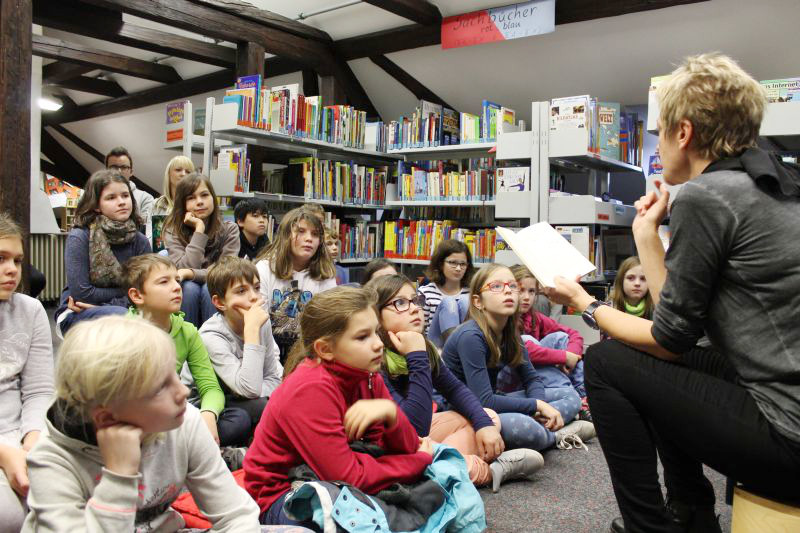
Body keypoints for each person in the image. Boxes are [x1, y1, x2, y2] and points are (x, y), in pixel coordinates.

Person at [544, 53, 800, 533]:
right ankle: (690, 510)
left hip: (789, 434)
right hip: (780, 398)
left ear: (684, 133)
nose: (658, 145)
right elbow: (679, 326)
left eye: (659, 132)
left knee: (605, 363)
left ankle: (653, 527)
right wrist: (647, 235)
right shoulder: (771, 185)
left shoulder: (710, 196)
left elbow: (667, 338)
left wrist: (587, 306)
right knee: (657, 361)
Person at [21, 316, 263, 532]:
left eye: (174, 376)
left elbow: (236, 514)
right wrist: (119, 475)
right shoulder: (52, 461)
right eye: (160, 388)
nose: (183, 391)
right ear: (107, 418)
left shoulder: (184, 420)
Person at [243, 286, 434, 528]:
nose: (378, 345)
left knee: (439, 482)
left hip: (333, 473)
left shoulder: (366, 373)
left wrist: (391, 413)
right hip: (283, 495)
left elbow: (405, 447)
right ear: (325, 349)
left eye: (376, 332)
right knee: (353, 517)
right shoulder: (310, 388)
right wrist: (419, 461)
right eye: (362, 337)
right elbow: (349, 477)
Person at [368, 274, 544, 492]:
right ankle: (487, 471)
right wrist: (417, 358)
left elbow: (455, 390)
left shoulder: (423, 347)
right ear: (375, 316)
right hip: (389, 446)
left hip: (414, 439)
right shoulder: (375, 359)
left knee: (488, 417)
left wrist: (484, 425)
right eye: (400, 303)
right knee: (421, 455)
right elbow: (412, 429)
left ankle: (440, 467)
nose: (414, 309)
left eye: (415, 300)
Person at [441, 263, 595, 453]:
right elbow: (484, 401)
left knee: (571, 396)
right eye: (497, 286)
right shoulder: (471, 336)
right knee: (525, 428)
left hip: (493, 401)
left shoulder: (510, 333)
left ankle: (546, 430)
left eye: (513, 286)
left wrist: (539, 408)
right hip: (465, 411)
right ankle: (559, 435)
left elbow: (531, 378)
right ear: (478, 302)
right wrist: (536, 405)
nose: (508, 291)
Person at [122, 254, 251, 447]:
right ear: (137, 295)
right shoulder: (123, 333)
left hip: (175, 411)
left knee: (238, 418)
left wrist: (208, 415)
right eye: (163, 282)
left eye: (176, 279)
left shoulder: (187, 331)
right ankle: (195, 449)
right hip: (138, 415)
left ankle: (188, 447)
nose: (176, 287)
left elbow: (210, 387)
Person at [0, 214, 54, 532]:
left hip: (21, 430)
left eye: (17, 260)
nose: (12, 270)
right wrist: (5, 455)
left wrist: (32, 439)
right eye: (1, 259)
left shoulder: (30, 310)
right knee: (10, 518)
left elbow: (38, 390)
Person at [55, 169, 151, 335]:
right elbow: (82, 293)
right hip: (78, 311)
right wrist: (127, 291)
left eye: (125, 195)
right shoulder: (80, 237)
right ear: (96, 206)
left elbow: (145, 289)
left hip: (127, 308)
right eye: (111, 198)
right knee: (125, 319)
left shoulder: (140, 240)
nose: (121, 202)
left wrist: (106, 305)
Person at [201, 256, 282, 433]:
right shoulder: (211, 335)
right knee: (248, 416)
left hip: (241, 397)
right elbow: (249, 389)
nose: (254, 297)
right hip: (209, 405)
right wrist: (251, 330)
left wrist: (255, 390)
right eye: (241, 291)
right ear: (219, 302)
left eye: (257, 288)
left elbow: (273, 378)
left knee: (280, 403)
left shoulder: (261, 322)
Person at [510, 265, 590, 421]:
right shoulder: (504, 317)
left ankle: (584, 398)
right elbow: (523, 351)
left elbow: (574, 334)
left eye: (531, 291)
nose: (526, 297)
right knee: (527, 341)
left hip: (534, 377)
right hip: (511, 379)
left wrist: (571, 355)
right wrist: (562, 357)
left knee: (560, 337)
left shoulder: (535, 317)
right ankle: (572, 396)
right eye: (521, 290)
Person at [255, 207, 336, 361]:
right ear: (286, 235)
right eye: (301, 231)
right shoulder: (264, 269)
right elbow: (259, 324)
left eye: (315, 234)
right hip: (268, 350)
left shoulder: (325, 274)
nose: (309, 238)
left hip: (308, 352)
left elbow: (327, 324)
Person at [164, 173, 239, 327]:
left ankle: (213, 345)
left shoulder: (230, 229)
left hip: (216, 285)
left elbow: (224, 272)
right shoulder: (173, 230)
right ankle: (186, 345)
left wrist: (191, 274)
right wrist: (199, 230)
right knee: (189, 289)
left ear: (213, 198)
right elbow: (182, 268)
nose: (199, 202)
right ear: (182, 203)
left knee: (209, 289)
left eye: (204, 195)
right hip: (187, 287)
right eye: (191, 198)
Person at [418, 239, 475, 347]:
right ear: (440, 264)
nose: (458, 268)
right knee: (449, 303)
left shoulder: (471, 293)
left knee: (465, 300)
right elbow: (419, 329)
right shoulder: (424, 293)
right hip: (436, 349)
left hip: (467, 346)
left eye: (463, 264)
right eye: (453, 263)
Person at [105, 146, 155, 222]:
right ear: (106, 170)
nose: (119, 171)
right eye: (114, 167)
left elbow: (145, 229)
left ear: (131, 172)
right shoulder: (98, 196)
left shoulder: (145, 198)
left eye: (124, 167)